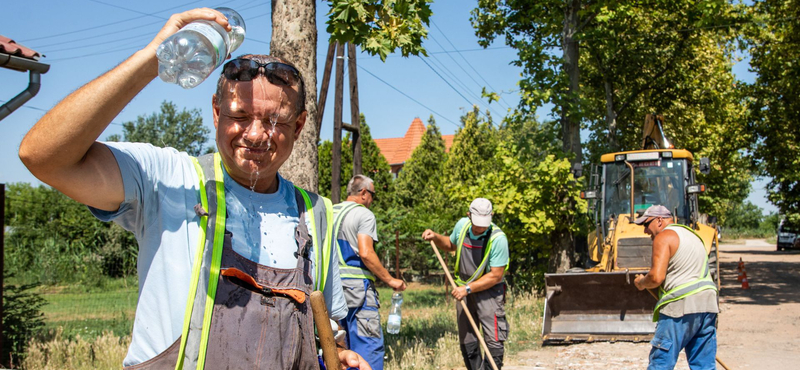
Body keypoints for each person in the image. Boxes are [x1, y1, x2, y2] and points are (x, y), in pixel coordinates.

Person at [18, 8, 370, 370]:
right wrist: (151, 59)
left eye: (275, 120)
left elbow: (320, 327)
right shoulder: (168, 179)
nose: (254, 134)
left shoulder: (316, 213)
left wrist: (339, 355)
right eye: (239, 115)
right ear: (217, 113)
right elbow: (43, 157)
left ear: (298, 127)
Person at [421, 198, 509, 370]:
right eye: (477, 223)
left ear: (491, 216)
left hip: (489, 294)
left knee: (494, 340)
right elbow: (451, 244)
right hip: (463, 292)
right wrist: (436, 237)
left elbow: (496, 275)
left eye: (484, 223)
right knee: (468, 340)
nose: (480, 227)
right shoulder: (462, 226)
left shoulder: (498, 239)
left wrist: (467, 289)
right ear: (469, 215)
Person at [332, 175, 406, 370]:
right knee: (368, 346)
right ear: (363, 193)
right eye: (372, 195)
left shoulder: (329, 211)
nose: (372, 200)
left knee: (339, 348)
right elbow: (366, 253)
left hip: (331, 290)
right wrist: (391, 280)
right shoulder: (363, 215)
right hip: (358, 291)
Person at [633, 205, 719, 370]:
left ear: (659, 221)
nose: (645, 231)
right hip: (707, 305)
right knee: (703, 365)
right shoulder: (694, 236)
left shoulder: (664, 237)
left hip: (680, 308)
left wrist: (642, 282)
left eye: (646, 224)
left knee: (661, 363)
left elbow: (656, 277)